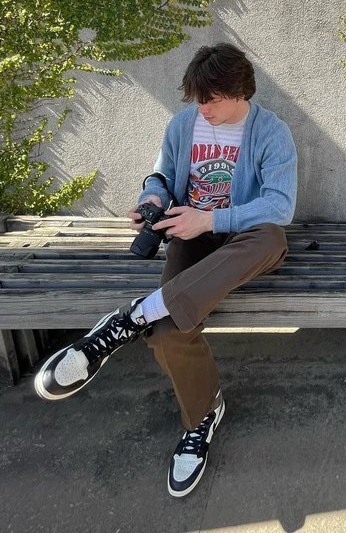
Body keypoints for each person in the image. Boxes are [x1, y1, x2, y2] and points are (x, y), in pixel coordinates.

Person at [34, 42, 298, 497]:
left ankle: (128, 319)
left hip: (245, 241)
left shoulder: (272, 132)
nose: (202, 109)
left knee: (273, 237)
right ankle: (203, 415)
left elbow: (280, 205)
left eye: (211, 99)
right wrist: (152, 199)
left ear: (240, 92)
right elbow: (161, 176)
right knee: (167, 331)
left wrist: (210, 220)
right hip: (190, 237)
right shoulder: (183, 126)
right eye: (197, 99)